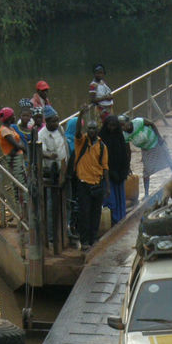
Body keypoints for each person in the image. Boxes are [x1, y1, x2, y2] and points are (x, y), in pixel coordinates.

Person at [74, 105, 109, 250]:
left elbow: (105, 167)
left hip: (97, 183)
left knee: (96, 213)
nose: (92, 131)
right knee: (84, 213)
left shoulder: (102, 146)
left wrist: (107, 187)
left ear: (97, 130)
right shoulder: (81, 142)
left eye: (94, 129)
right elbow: (77, 132)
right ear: (87, 130)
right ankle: (85, 241)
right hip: (83, 183)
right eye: (89, 129)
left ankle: (93, 239)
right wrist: (80, 116)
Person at [119, 114, 172, 196]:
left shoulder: (138, 122)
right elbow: (128, 151)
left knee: (169, 162)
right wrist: (128, 165)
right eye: (120, 126)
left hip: (157, 143)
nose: (122, 127)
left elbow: (151, 124)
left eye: (123, 124)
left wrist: (159, 137)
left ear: (129, 122)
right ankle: (146, 195)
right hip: (146, 150)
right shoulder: (124, 135)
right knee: (146, 172)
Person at [37, 106, 69, 244]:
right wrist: (50, 155)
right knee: (51, 205)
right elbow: (41, 151)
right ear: (47, 121)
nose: (56, 124)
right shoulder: (41, 134)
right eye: (53, 121)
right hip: (51, 173)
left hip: (63, 170)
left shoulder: (60, 129)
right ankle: (50, 235)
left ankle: (65, 229)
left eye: (57, 120)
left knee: (66, 202)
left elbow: (65, 146)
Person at [100, 114, 131, 225]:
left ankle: (120, 219)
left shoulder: (119, 136)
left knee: (120, 197)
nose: (112, 128)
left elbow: (124, 153)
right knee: (110, 199)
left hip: (120, 172)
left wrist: (125, 169)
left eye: (114, 126)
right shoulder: (102, 137)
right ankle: (112, 220)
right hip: (108, 173)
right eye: (110, 126)